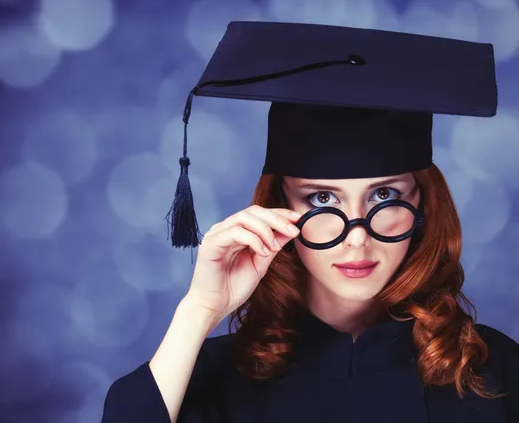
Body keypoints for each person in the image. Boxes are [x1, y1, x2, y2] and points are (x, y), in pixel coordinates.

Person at [101, 22, 519, 423]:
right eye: (322, 199)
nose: (356, 239)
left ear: (423, 203)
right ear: (278, 207)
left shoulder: (493, 369)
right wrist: (199, 310)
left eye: (384, 196)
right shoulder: (213, 377)